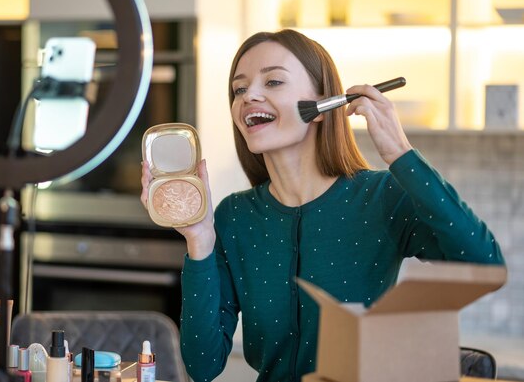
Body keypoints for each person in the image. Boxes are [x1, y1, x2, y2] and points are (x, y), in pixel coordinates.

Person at [140, 29, 505, 382]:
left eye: (273, 82)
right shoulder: (235, 216)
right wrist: (199, 240)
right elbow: (203, 367)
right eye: (239, 88)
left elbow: (483, 265)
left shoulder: (382, 196)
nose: (248, 95)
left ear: (320, 106)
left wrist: (400, 153)